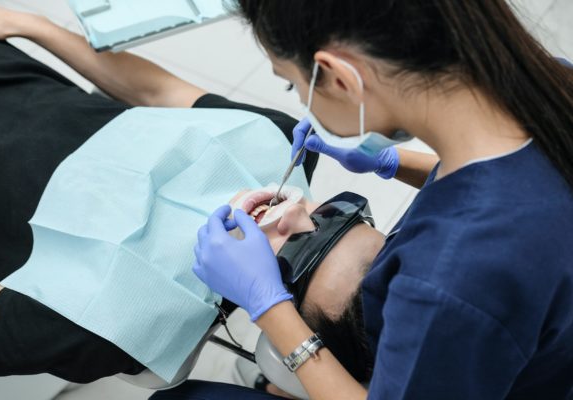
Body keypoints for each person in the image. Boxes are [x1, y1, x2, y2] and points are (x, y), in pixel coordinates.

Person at [0, 1, 395, 386]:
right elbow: (157, 91)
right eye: (336, 218)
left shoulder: (106, 331)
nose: (297, 213)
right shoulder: (278, 144)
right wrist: (28, 25)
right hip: (0, 70)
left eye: (298, 253)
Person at [182, 1, 573, 399]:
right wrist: (392, 161)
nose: (299, 212)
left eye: (291, 83)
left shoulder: (447, 281)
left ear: (338, 77)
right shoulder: (550, 85)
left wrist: (269, 308)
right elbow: (513, 178)